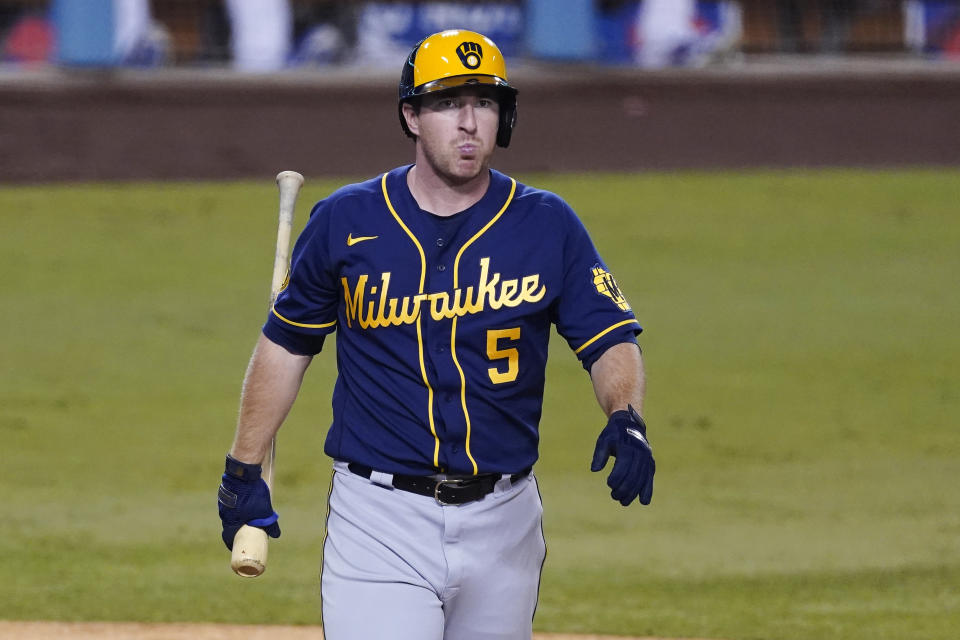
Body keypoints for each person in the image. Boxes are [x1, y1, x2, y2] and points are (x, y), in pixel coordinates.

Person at [217, 29, 655, 640]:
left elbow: (608, 336)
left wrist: (626, 416)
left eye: (485, 102)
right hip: (380, 520)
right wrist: (242, 468)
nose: (470, 122)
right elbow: (286, 347)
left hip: (506, 521)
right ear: (411, 117)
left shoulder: (547, 224)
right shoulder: (347, 221)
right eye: (448, 103)